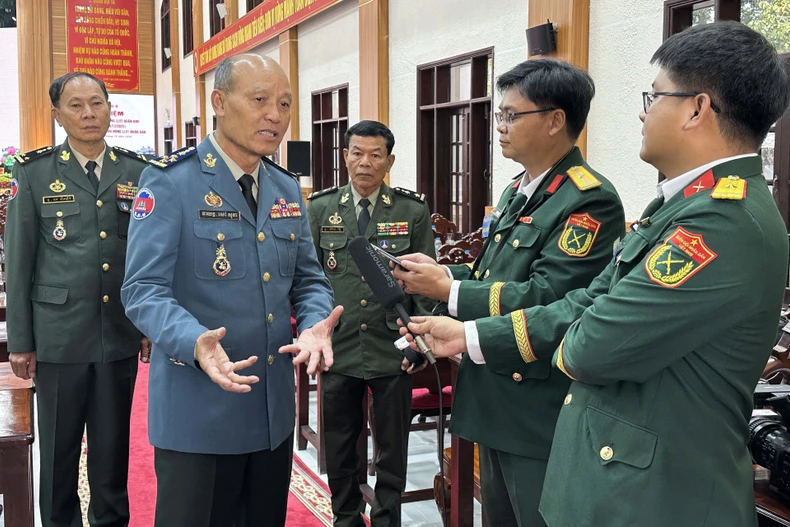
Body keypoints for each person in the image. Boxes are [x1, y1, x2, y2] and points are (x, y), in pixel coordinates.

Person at [399, 21, 790, 526]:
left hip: (658, 492)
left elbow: (590, 345)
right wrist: (470, 333)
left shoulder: (722, 221)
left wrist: (487, 314)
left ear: (697, 108)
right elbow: (587, 304)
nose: (644, 113)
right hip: (615, 469)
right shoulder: (680, 205)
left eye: (654, 97)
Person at [392, 59, 624, 526]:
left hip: (536, 404)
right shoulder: (521, 188)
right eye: (499, 115)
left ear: (556, 120)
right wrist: (444, 274)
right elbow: (495, 271)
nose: (500, 126)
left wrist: (451, 289)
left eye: (511, 115)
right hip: (492, 388)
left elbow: (551, 295)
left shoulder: (589, 199)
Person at [120, 54, 340, 527]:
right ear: (219, 102)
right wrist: (192, 340)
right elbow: (143, 289)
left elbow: (309, 279)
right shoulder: (170, 183)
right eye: (260, 100)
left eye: (284, 103)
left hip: (271, 415)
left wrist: (316, 323)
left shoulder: (285, 188)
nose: (275, 115)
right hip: (198, 416)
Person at [5, 71, 151, 527]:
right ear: (58, 114)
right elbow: (19, 262)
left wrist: (148, 325)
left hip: (118, 332)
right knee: (58, 452)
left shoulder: (138, 171)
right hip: (58, 336)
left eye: (97, 103)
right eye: (76, 105)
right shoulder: (34, 174)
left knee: (112, 451)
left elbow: (150, 257)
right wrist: (21, 342)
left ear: (110, 108)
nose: (89, 113)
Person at [306, 120, 436, 526]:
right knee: (340, 444)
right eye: (357, 153)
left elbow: (426, 285)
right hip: (339, 347)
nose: (365, 163)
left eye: (375, 155)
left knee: (391, 447)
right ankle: (345, 517)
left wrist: (420, 339)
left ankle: (386, 519)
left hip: (390, 347)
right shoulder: (322, 208)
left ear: (389, 161)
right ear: (345, 156)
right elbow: (308, 277)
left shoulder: (411, 210)